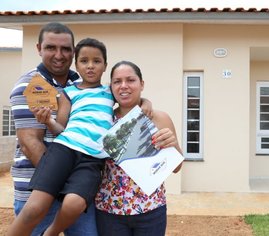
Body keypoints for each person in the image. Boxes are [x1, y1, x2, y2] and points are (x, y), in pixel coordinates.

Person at [8, 22, 100, 236]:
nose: (59, 55)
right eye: (51, 48)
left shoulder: (80, 82)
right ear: (39, 48)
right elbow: (30, 143)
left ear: (73, 52)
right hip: (37, 193)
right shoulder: (28, 85)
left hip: (75, 191)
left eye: (66, 49)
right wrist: (64, 184)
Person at [95, 60, 183, 236]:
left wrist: (173, 145)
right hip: (109, 211)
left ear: (142, 84)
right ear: (110, 87)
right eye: (117, 81)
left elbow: (177, 168)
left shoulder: (159, 118)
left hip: (151, 210)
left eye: (130, 80)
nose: (124, 86)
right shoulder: (103, 121)